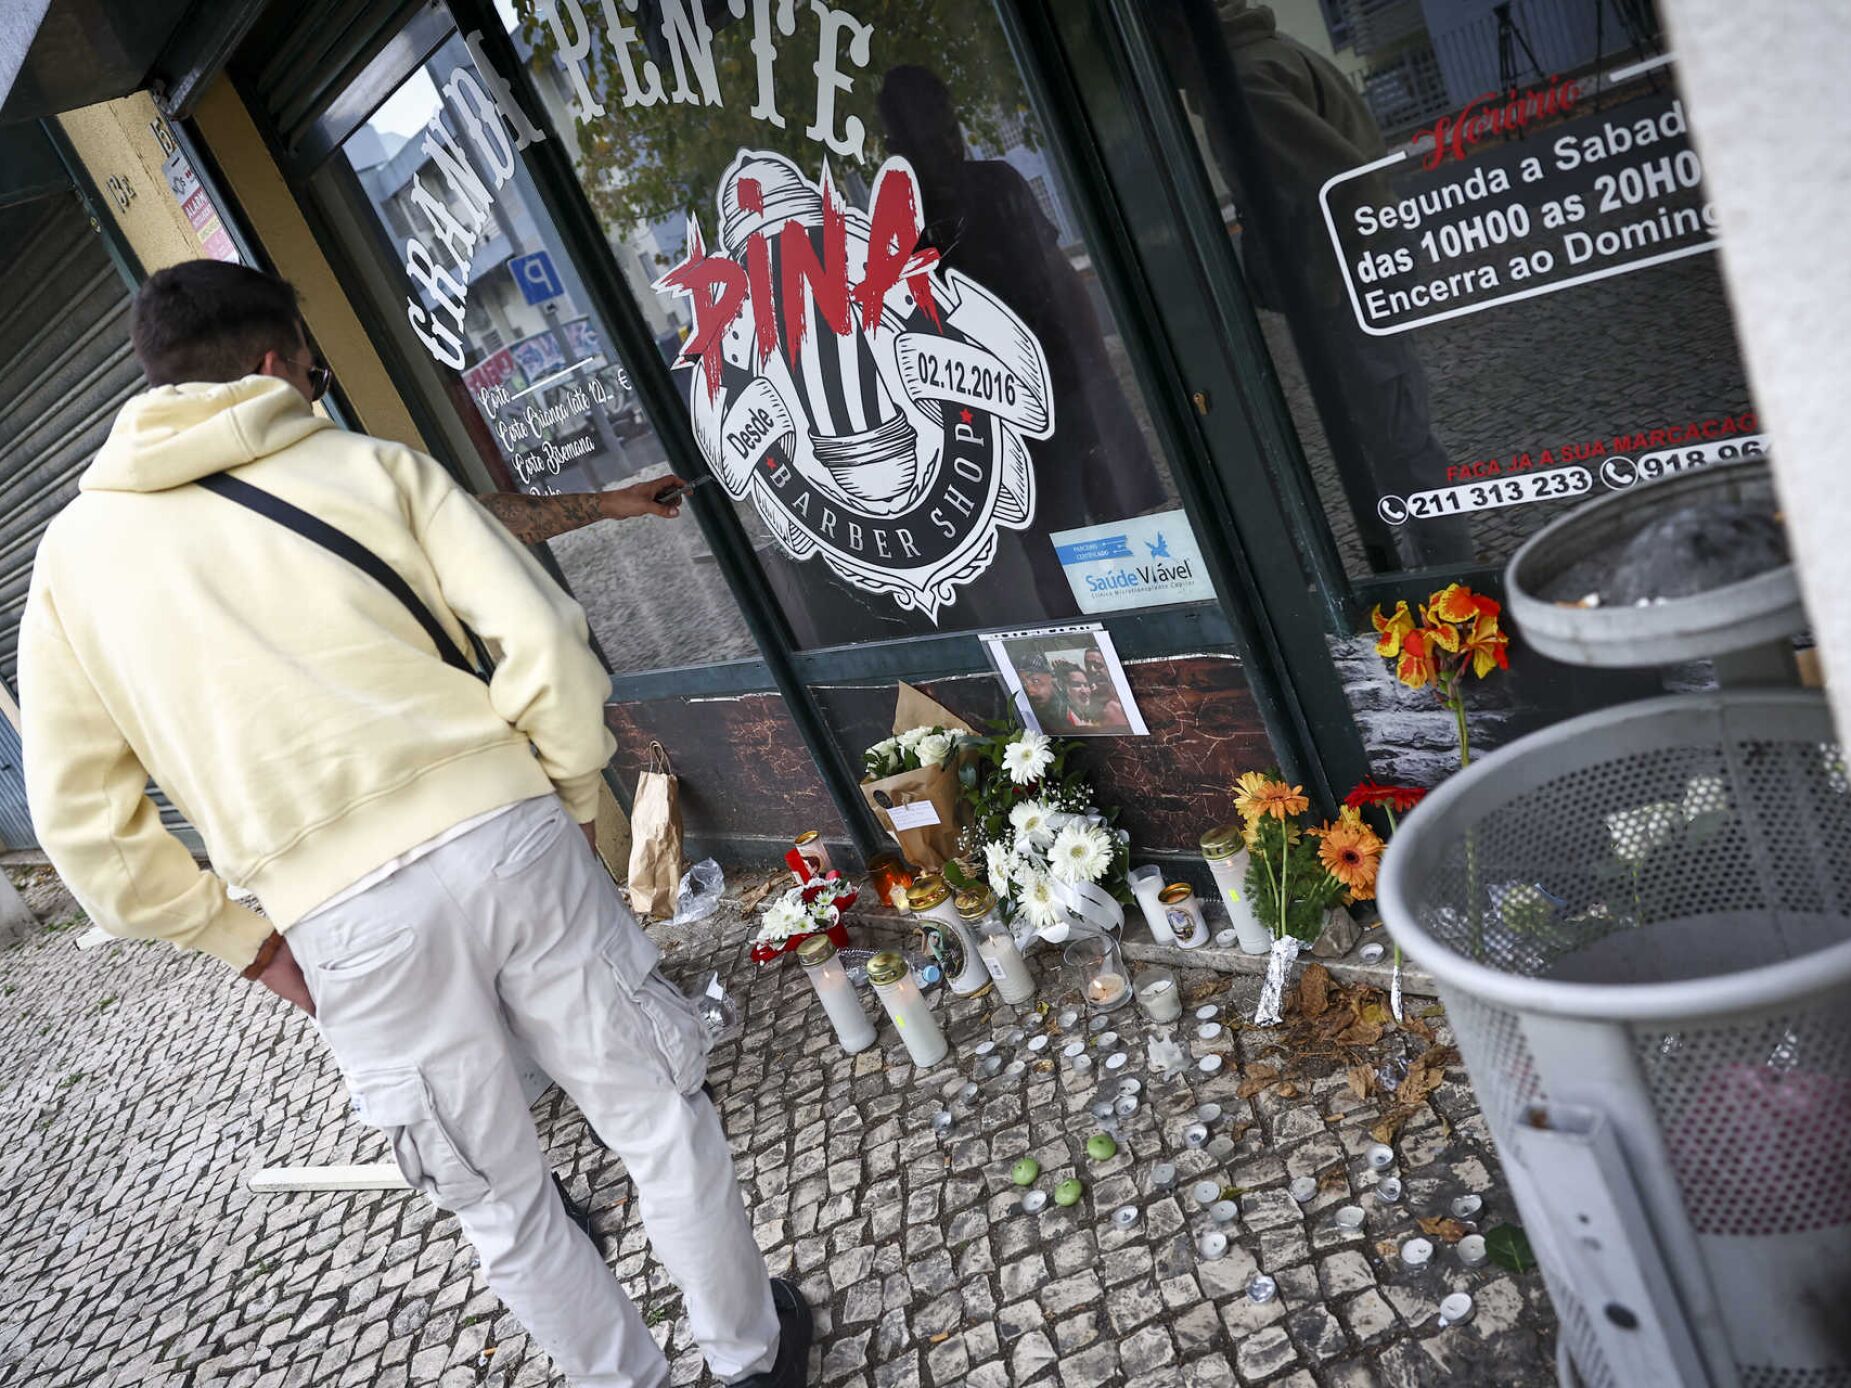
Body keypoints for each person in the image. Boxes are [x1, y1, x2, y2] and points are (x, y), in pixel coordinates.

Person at [19, 260, 812, 1388]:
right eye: (309, 360)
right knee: (655, 1109)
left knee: (498, 1198)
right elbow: (542, 638)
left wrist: (242, 941)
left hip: (338, 913)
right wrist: (573, 795)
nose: (314, 380)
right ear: (270, 361)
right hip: (505, 827)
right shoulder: (373, 468)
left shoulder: (69, 566)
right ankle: (750, 1355)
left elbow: (88, 832)